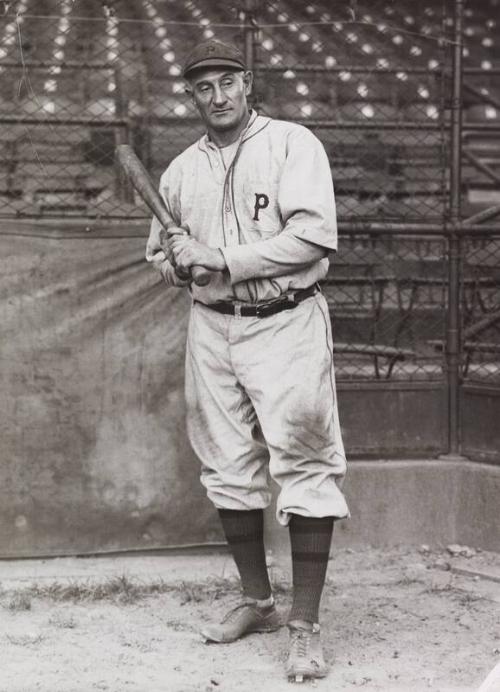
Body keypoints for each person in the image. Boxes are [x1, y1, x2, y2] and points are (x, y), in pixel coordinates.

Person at [145, 38, 349, 683]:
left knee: (307, 462)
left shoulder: (292, 143)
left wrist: (223, 258)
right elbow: (161, 256)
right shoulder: (180, 171)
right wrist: (178, 262)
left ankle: (306, 626)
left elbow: (315, 235)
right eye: (203, 87)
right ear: (193, 97)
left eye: (227, 82)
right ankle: (259, 603)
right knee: (227, 465)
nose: (218, 96)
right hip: (212, 326)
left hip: (286, 320)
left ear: (248, 82)